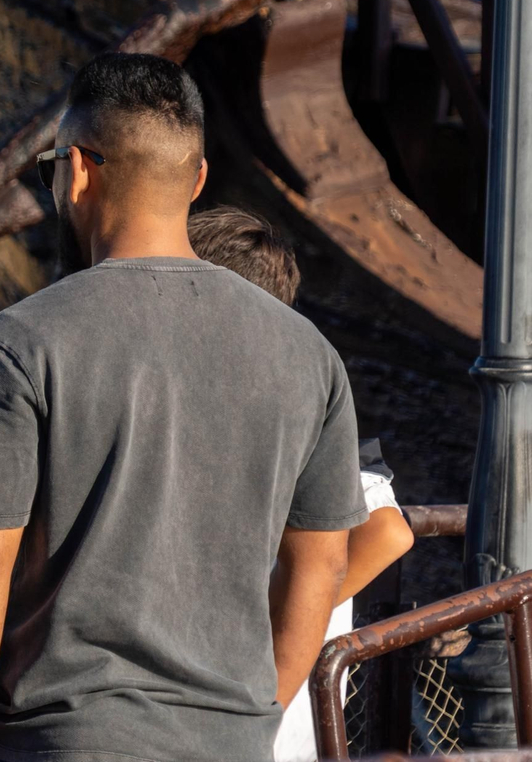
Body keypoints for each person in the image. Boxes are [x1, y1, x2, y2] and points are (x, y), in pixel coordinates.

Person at [0, 54, 366, 762]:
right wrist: (251, 713)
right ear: (196, 180)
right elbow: (320, 565)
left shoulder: (23, 342)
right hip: (232, 742)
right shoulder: (308, 354)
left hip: (63, 739)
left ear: (75, 170)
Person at [187, 205, 414, 762]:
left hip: (243, 716)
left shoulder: (275, 406)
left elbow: (388, 531)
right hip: (263, 720)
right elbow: (387, 529)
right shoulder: (288, 398)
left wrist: (259, 625)